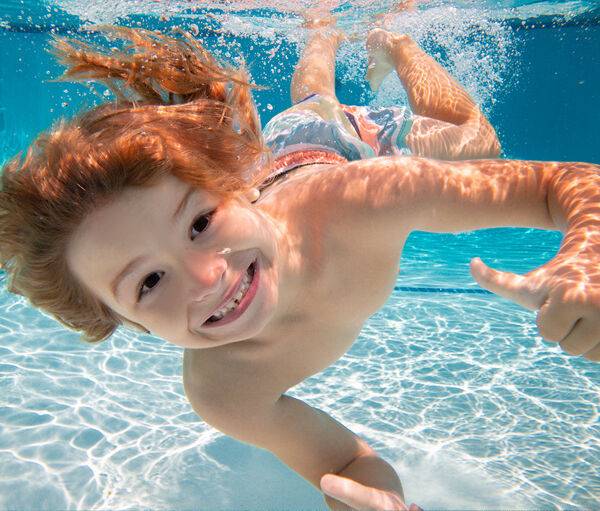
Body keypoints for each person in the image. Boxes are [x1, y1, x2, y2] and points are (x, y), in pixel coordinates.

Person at [1, 11, 599, 511]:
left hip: (342, 150)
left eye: (202, 223)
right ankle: (322, 30)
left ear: (235, 186)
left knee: (475, 138)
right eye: (150, 281)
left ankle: (392, 39)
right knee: (312, 102)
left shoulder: (364, 198)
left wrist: (587, 257)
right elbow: (344, 461)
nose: (211, 278)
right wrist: (372, 499)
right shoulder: (224, 391)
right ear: (124, 321)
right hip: (290, 148)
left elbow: (569, 182)